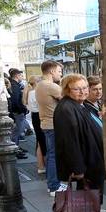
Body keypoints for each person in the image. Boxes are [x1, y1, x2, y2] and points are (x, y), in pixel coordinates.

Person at [53, 73, 106, 212]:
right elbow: (69, 142)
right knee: (92, 197)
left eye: (85, 87)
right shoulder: (66, 109)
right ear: (67, 90)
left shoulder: (77, 105)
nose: (83, 91)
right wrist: (78, 168)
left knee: (83, 195)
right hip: (86, 163)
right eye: (77, 88)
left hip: (89, 160)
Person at [35, 60, 64, 196]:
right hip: (53, 124)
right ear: (52, 71)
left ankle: (53, 184)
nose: (60, 74)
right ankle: (54, 186)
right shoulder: (50, 86)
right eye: (59, 71)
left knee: (52, 154)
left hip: (46, 123)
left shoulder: (40, 85)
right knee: (53, 155)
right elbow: (69, 98)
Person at [24, 75, 46, 174]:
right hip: (39, 116)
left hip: (35, 116)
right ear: (37, 82)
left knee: (39, 141)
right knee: (42, 141)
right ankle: (42, 165)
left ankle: (41, 165)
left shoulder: (29, 92)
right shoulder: (35, 93)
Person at [8, 68, 29, 158]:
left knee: (16, 132)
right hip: (17, 112)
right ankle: (14, 151)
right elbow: (16, 101)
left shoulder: (14, 85)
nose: (22, 77)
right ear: (16, 75)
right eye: (21, 75)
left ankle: (15, 149)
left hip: (16, 112)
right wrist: (22, 110)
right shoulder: (15, 86)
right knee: (16, 132)